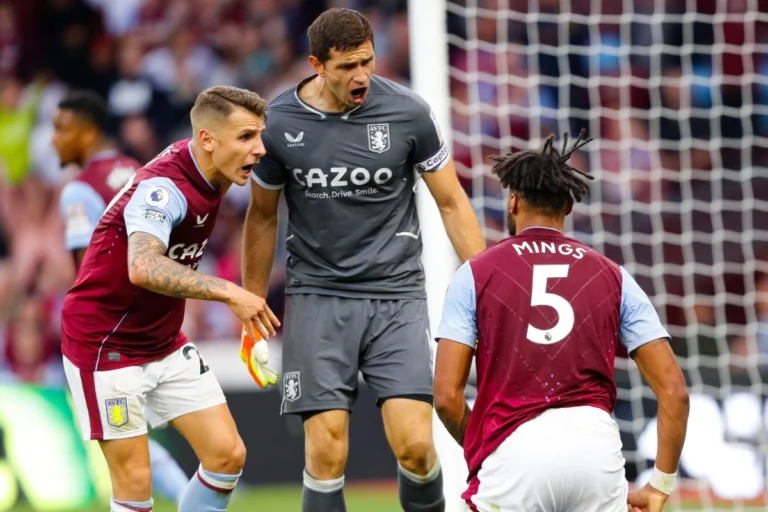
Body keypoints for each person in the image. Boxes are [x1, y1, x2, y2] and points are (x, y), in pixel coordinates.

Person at [242, 7, 486, 512]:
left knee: (418, 449)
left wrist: (486, 282)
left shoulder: (409, 112)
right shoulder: (279, 123)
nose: (361, 76)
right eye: (347, 66)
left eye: (367, 62)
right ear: (316, 64)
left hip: (396, 295)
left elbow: (451, 202)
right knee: (327, 451)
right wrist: (250, 301)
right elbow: (262, 217)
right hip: (316, 297)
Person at [433, 131, 690, 512]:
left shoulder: (475, 275)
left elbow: (447, 397)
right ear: (569, 207)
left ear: (513, 201)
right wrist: (659, 486)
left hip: (514, 450)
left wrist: (484, 446)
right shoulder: (615, 277)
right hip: (596, 454)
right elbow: (675, 392)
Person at [60, 85, 280, 512]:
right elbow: (141, 266)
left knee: (227, 454)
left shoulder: (211, 170)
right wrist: (231, 293)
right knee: (136, 485)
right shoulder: (165, 188)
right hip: (105, 344)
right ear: (207, 140)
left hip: (161, 341)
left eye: (260, 136)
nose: (259, 149)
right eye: (247, 137)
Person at [52, 89, 189, 504]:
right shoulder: (138, 168)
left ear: (87, 132)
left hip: (107, 336)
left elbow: (88, 273)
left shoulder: (79, 190)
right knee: (140, 435)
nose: (53, 140)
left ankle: (187, 496)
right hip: (153, 320)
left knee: (123, 444)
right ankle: (196, 494)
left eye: (61, 129)